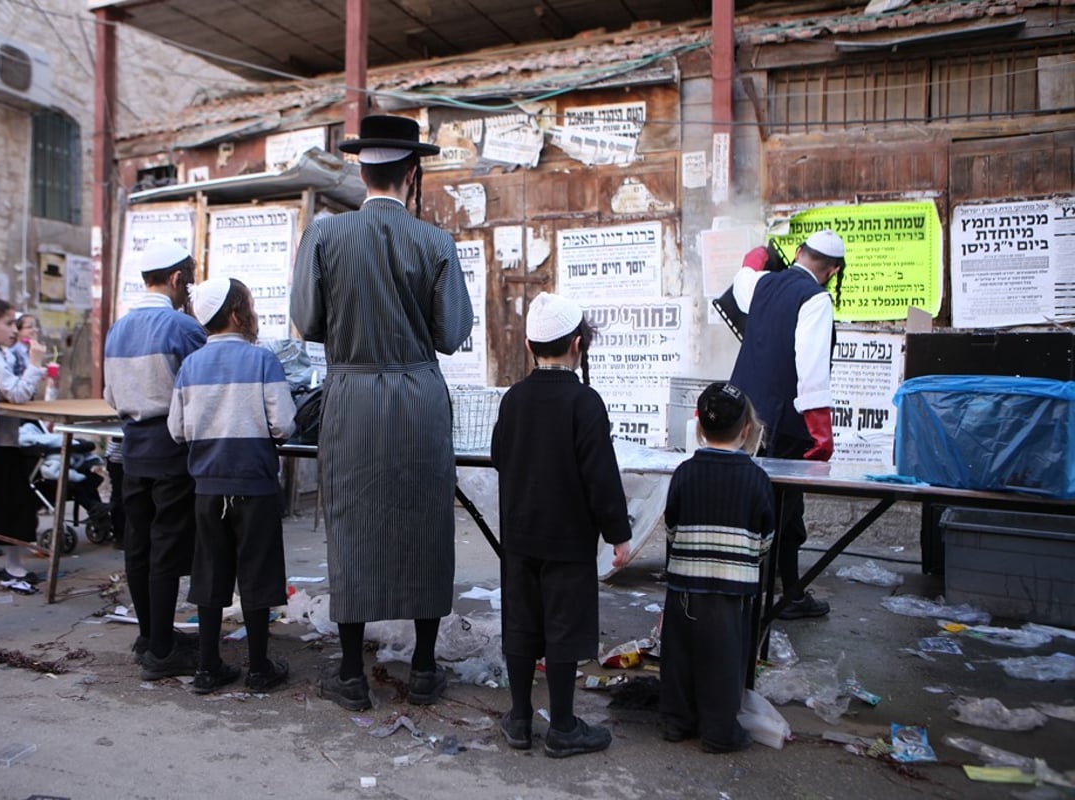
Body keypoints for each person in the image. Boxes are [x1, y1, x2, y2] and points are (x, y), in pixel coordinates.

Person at [290, 114, 473, 711]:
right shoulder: (436, 242)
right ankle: (422, 670)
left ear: (360, 169)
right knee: (426, 524)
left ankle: (349, 674)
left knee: (352, 524)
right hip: (420, 398)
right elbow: (452, 333)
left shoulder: (323, 235)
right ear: (412, 172)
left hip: (352, 398)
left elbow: (309, 322)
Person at [490, 292, 632, 758]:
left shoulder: (514, 399)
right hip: (568, 542)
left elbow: (499, 456)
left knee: (522, 626)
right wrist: (618, 534)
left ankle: (520, 719)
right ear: (577, 344)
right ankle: (564, 726)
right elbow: (601, 475)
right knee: (563, 629)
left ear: (531, 347)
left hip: (520, 537)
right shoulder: (584, 402)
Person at [168, 278, 298, 694]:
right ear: (241, 314)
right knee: (257, 574)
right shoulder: (263, 362)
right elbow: (284, 423)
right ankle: (259, 667)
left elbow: (176, 429)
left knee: (209, 574)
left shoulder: (190, 366)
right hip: (255, 486)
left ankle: (208, 667)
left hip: (208, 487)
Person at [729, 230, 845, 620]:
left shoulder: (763, 284)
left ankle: (754, 587)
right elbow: (812, 369)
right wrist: (821, 433)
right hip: (784, 423)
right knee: (786, 508)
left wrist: (756, 254)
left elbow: (743, 280)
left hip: (743, 418)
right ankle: (788, 596)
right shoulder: (816, 298)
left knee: (751, 502)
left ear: (798, 253)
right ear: (832, 270)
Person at [104, 240, 206, 678]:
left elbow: (110, 395)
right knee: (166, 546)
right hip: (170, 447)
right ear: (177, 279)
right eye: (189, 282)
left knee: (139, 544)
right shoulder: (182, 328)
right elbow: (204, 389)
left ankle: (150, 635)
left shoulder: (118, 328)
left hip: (132, 449)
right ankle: (163, 650)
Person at [660, 382, 774, 753]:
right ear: (746, 429)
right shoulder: (757, 478)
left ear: (698, 428)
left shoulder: (684, 473)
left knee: (678, 657)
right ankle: (719, 731)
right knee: (724, 660)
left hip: (684, 586)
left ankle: (676, 722)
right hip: (732, 588)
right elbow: (765, 538)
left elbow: (672, 528)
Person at [0, 298, 49, 589]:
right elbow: (16, 394)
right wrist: (35, 364)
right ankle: (14, 568)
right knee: (13, 503)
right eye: (8, 323)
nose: (14, 330)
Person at [9, 314, 41, 378]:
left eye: (36, 326)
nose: (35, 330)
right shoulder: (13, 353)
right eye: (29, 327)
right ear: (18, 330)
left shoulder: (31, 352)